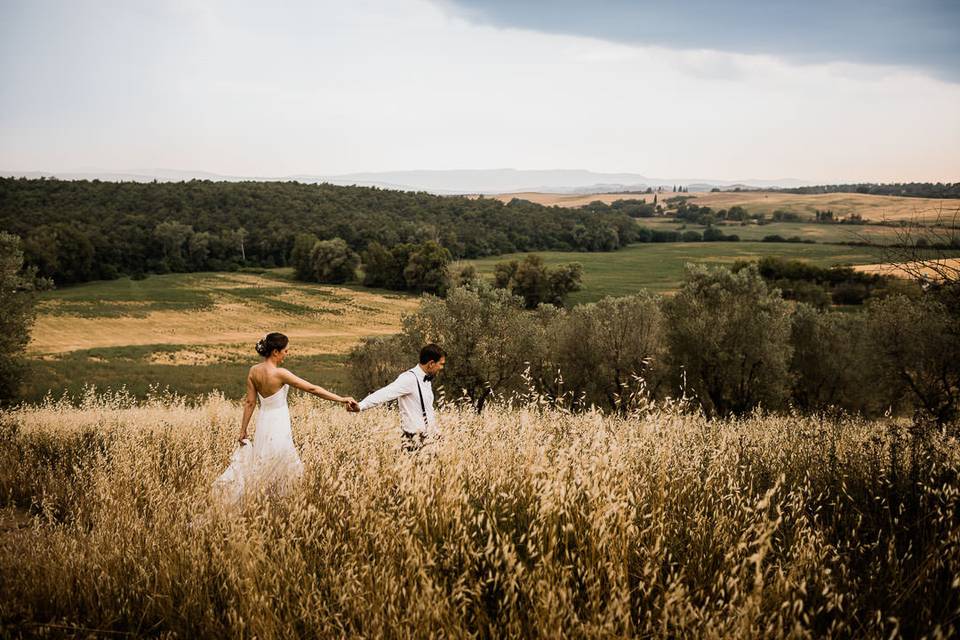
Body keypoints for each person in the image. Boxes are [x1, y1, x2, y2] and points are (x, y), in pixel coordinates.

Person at [213, 332, 358, 506]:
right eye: (285, 351)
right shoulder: (280, 373)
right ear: (275, 352)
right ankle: (276, 502)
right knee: (281, 459)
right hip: (278, 423)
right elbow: (312, 389)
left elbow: (250, 402)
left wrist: (243, 429)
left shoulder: (253, 371)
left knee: (264, 459)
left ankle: (261, 501)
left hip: (263, 422)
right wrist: (341, 399)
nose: (287, 354)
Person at [350, 344, 445, 451]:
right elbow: (385, 393)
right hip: (413, 441)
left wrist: (436, 432)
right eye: (441, 364)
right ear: (431, 363)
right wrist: (361, 405)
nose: (442, 368)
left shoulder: (427, 379)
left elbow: (428, 411)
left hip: (429, 438)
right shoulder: (409, 378)